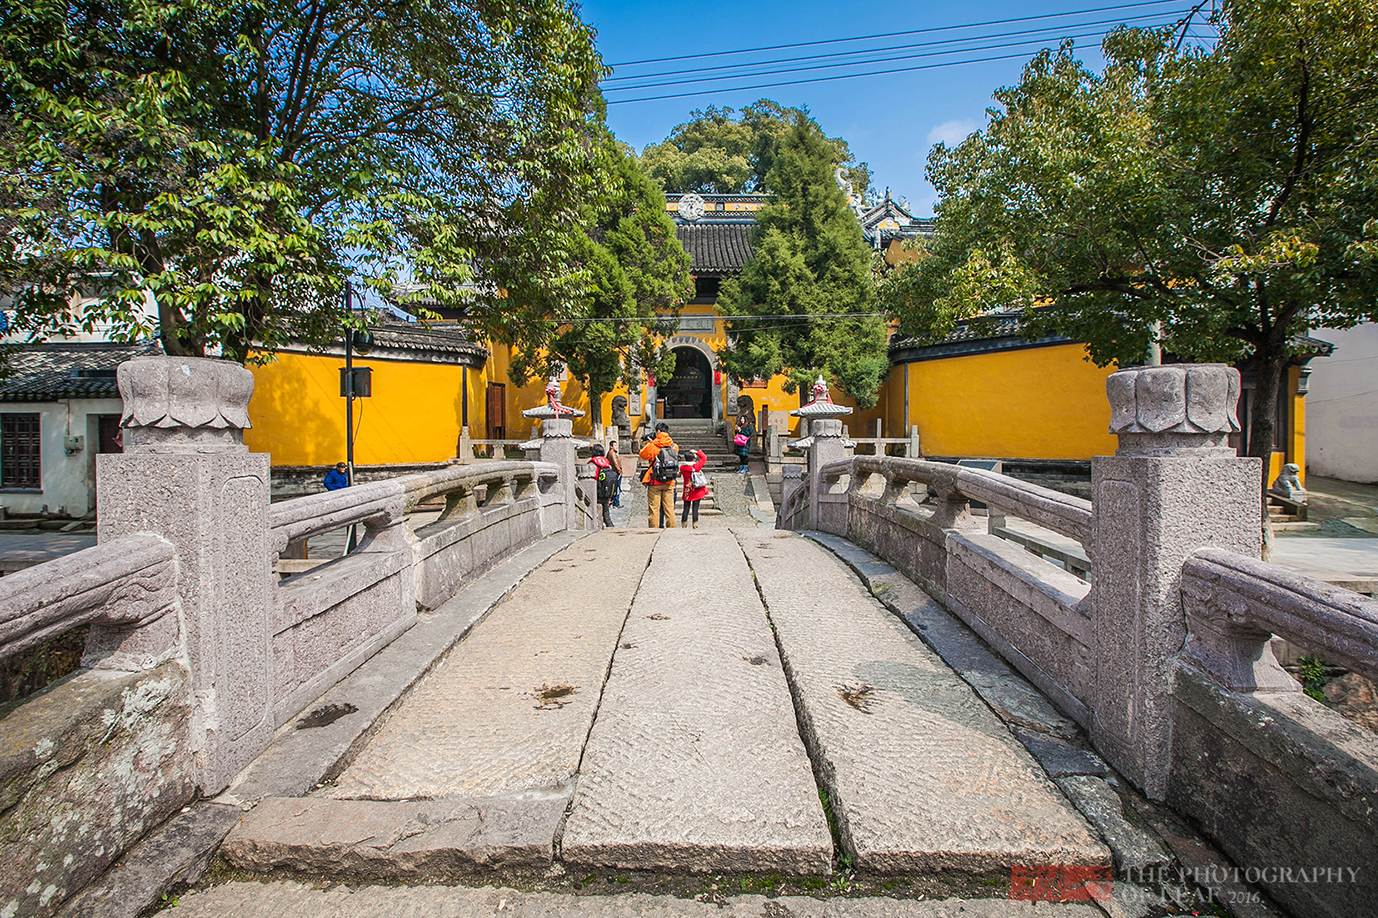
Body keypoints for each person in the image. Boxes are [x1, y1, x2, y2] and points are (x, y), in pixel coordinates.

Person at [639, 421, 679, 529]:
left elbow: (642, 454)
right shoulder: (674, 446)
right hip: (669, 481)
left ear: (658, 431)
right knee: (669, 509)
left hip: (655, 481)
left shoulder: (652, 445)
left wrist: (650, 443)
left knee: (654, 509)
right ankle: (672, 530)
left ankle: (654, 532)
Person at [680, 448, 708, 529]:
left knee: (686, 507)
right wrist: (696, 451)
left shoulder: (682, 467)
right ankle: (695, 524)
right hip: (696, 489)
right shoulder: (696, 466)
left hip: (687, 489)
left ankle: (684, 523)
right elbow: (704, 457)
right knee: (695, 508)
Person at [588, 444, 615, 527]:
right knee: (606, 514)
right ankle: (611, 528)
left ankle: (599, 527)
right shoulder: (607, 463)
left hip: (597, 492)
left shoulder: (593, 463)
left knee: (595, 513)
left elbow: (594, 478)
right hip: (606, 491)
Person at [606, 439, 623, 508]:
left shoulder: (611, 452)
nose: (616, 447)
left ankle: (614, 502)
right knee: (617, 488)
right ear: (611, 446)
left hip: (613, 472)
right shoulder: (612, 453)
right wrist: (620, 471)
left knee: (615, 487)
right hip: (615, 473)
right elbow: (616, 464)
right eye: (615, 445)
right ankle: (616, 502)